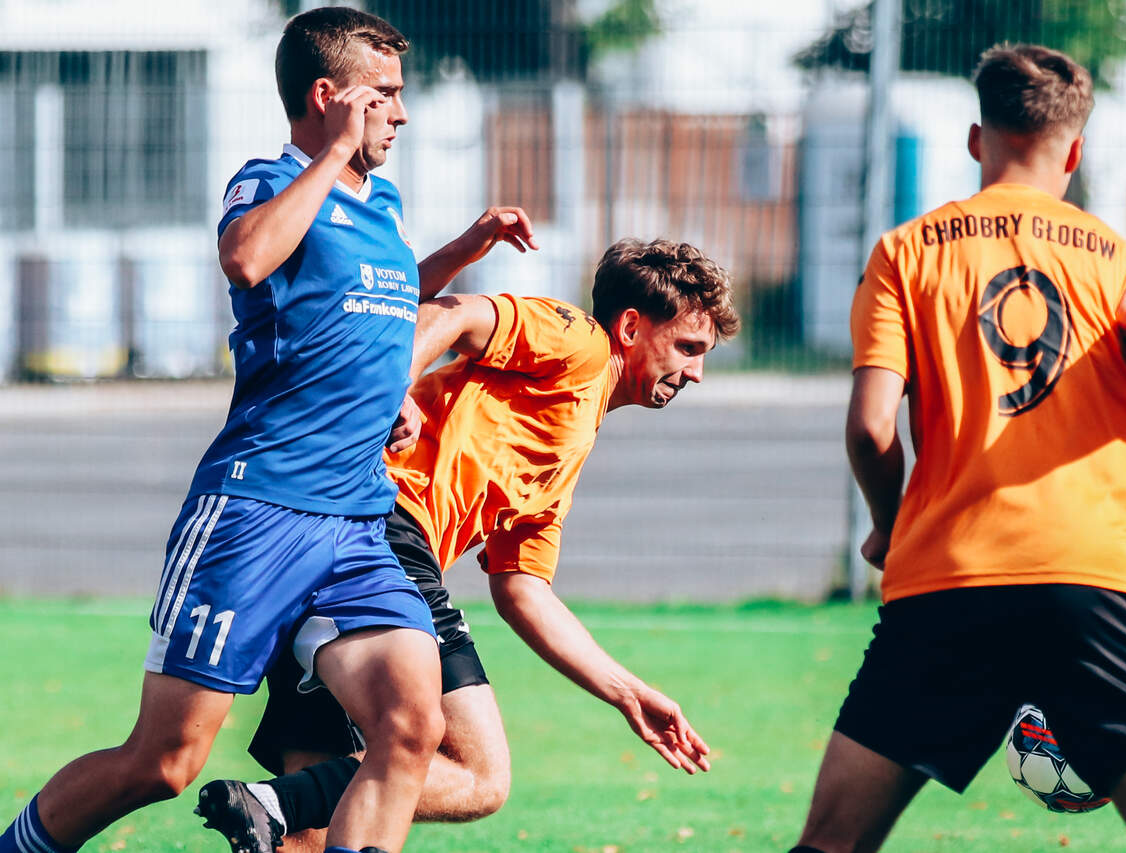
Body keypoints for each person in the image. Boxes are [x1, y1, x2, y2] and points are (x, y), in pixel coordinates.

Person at [0, 8, 535, 853]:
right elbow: (247, 257)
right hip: (258, 513)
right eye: (384, 95)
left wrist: (463, 251)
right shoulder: (268, 181)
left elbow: (383, 297)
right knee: (164, 762)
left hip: (358, 523)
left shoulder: (383, 203)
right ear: (328, 97)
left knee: (410, 726)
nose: (400, 113)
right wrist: (331, 155)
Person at [789, 44, 1126, 853]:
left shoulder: (906, 253)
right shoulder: (1125, 273)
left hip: (949, 579)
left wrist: (887, 522)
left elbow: (871, 428)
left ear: (976, 139)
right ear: (1075, 152)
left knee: (831, 841)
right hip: (1103, 583)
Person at [196, 238, 735, 853]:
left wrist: (627, 692)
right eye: (689, 348)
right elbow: (451, 315)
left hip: (318, 530)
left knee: (310, 830)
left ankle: (272, 806)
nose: (696, 373)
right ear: (632, 327)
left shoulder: (574, 428)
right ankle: (275, 802)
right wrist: (391, 392)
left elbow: (523, 589)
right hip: (379, 533)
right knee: (477, 775)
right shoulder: (581, 343)